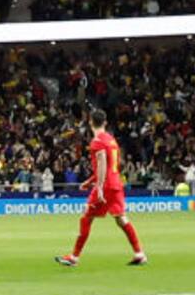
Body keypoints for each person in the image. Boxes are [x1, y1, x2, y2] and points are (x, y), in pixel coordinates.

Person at [56, 109, 147, 267]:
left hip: (105, 185)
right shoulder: (111, 140)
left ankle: (74, 257)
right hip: (116, 183)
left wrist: (98, 186)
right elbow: (114, 165)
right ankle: (139, 253)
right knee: (121, 218)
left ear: (90, 122)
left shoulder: (97, 141)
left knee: (86, 217)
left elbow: (102, 162)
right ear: (105, 122)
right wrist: (90, 181)